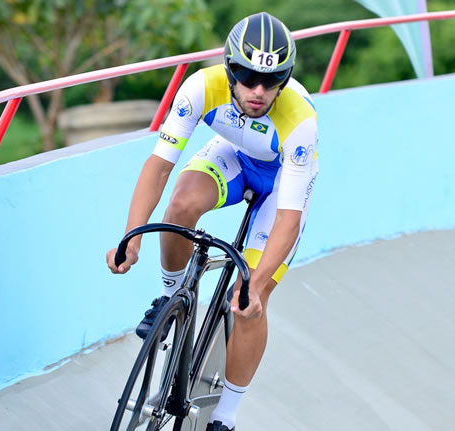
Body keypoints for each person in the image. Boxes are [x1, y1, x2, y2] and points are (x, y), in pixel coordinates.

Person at [106, 11, 318, 431]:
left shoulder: (300, 119)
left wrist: (254, 286)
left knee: (248, 303)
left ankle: (226, 415)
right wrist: (131, 237)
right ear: (229, 68)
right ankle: (171, 298)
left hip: (281, 184)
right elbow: (159, 167)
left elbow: (288, 219)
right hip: (234, 156)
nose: (258, 91)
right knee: (181, 205)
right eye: (247, 77)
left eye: (272, 80)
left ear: (285, 78)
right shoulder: (201, 87)